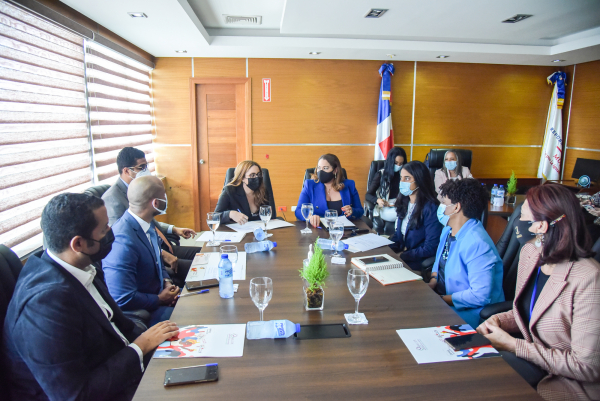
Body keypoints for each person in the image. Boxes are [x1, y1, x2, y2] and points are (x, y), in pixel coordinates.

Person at [1, 193, 179, 401]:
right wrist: (141, 347)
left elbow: (120, 326)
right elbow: (75, 395)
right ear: (78, 244)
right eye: (105, 229)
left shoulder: (80, 266)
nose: (112, 232)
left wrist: (155, 339)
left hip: (119, 366)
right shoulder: (45, 304)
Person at [477, 184, 600, 399]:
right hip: (533, 365)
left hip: (568, 383)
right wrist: (497, 321)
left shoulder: (589, 278)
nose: (517, 223)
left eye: (523, 217)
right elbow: (529, 312)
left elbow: (586, 367)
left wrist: (515, 346)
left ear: (541, 226)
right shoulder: (530, 254)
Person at [102, 147, 199, 286]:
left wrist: (174, 229)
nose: (145, 170)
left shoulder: (142, 189)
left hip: (160, 245)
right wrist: (160, 254)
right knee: (203, 267)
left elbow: (148, 222)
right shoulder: (112, 199)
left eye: (146, 166)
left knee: (206, 254)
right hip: (151, 255)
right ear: (126, 170)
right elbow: (121, 240)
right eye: (141, 167)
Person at [102, 176, 182, 326]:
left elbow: (157, 258)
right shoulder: (122, 240)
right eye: (164, 194)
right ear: (156, 203)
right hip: (147, 310)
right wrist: (160, 299)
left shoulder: (146, 224)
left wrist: (166, 282)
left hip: (161, 295)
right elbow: (122, 297)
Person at [429, 178, 504, 328]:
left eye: (443, 202)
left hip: (469, 313)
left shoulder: (477, 243)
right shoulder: (448, 230)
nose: (440, 207)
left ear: (456, 207)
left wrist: (441, 299)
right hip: (444, 302)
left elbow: (479, 296)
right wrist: (431, 284)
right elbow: (439, 265)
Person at [389, 161, 442, 271]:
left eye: (407, 178)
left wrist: (403, 256)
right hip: (402, 257)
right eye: (401, 178)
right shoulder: (404, 202)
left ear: (419, 180)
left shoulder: (431, 208)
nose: (402, 182)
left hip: (417, 262)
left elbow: (430, 248)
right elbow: (399, 236)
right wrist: (384, 248)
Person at [295, 153, 364, 226]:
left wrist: (352, 211)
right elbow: (299, 210)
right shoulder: (310, 185)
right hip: (318, 228)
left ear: (335, 170)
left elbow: (360, 210)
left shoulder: (349, 185)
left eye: (325, 168)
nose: (321, 171)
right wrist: (311, 217)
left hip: (341, 229)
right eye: (319, 168)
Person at [214, 160, 277, 225]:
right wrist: (230, 214)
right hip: (238, 232)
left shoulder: (263, 191)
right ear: (242, 178)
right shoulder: (230, 191)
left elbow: (272, 216)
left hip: (260, 232)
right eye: (252, 175)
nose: (257, 178)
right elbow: (214, 217)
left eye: (259, 174)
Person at [366, 147, 407, 235]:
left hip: (400, 205)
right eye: (396, 163)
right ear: (390, 162)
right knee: (401, 214)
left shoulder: (405, 175)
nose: (398, 166)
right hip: (385, 207)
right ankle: (398, 237)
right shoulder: (381, 174)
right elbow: (368, 195)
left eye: (401, 164)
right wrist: (378, 200)